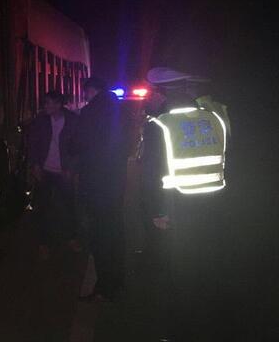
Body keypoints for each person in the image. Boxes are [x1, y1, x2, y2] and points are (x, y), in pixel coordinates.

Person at [141, 66, 228, 340]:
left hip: (177, 208)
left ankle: (180, 331)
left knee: (178, 275)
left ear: (163, 93)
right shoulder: (215, 118)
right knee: (206, 270)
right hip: (212, 206)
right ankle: (209, 326)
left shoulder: (160, 125)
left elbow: (153, 173)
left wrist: (158, 211)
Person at [76, 77, 129, 302]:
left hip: (97, 183)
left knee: (99, 236)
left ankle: (104, 287)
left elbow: (79, 144)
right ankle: (117, 282)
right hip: (115, 181)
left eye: (86, 92)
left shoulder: (90, 112)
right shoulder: (121, 110)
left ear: (91, 90)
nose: (85, 96)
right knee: (115, 232)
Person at [27, 91, 79, 260]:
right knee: (43, 207)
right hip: (45, 170)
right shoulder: (41, 121)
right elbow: (33, 143)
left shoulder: (72, 120)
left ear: (58, 104)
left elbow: (77, 147)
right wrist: (35, 165)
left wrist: (71, 168)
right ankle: (44, 243)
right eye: (45, 103)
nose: (45, 106)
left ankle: (72, 238)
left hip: (63, 171)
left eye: (49, 103)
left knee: (69, 206)